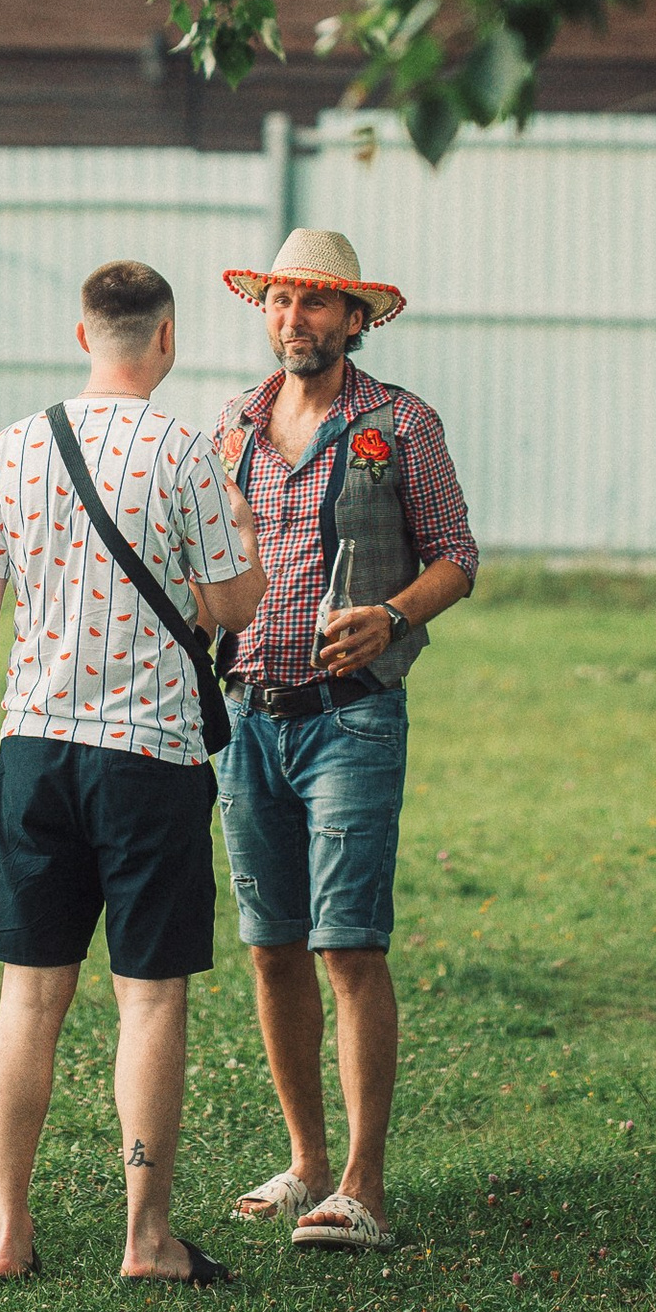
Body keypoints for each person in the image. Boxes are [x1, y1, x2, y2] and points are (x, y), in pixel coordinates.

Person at [0, 256, 264, 1286]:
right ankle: (145, 1236)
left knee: (27, 1001)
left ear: (84, 336)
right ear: (165, 340)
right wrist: (247, 533)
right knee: (148, 1002)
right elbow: (230, 607)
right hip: (149, 757)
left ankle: (8, 1234)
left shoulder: (11, 449)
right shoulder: (187, 456)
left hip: (36, 750)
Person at [213, 224, 478, 1253]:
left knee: (346, 942)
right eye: (280, 301)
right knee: (269, 944)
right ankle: (307, 1164)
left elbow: (456, 555)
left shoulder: (400, 425)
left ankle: (363, 1184)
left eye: (316, 302)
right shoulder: (234, 425)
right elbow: (211, 561)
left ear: (354, 319)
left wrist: (395, 616)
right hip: (246, 716)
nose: (294, 319)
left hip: (352, 716)